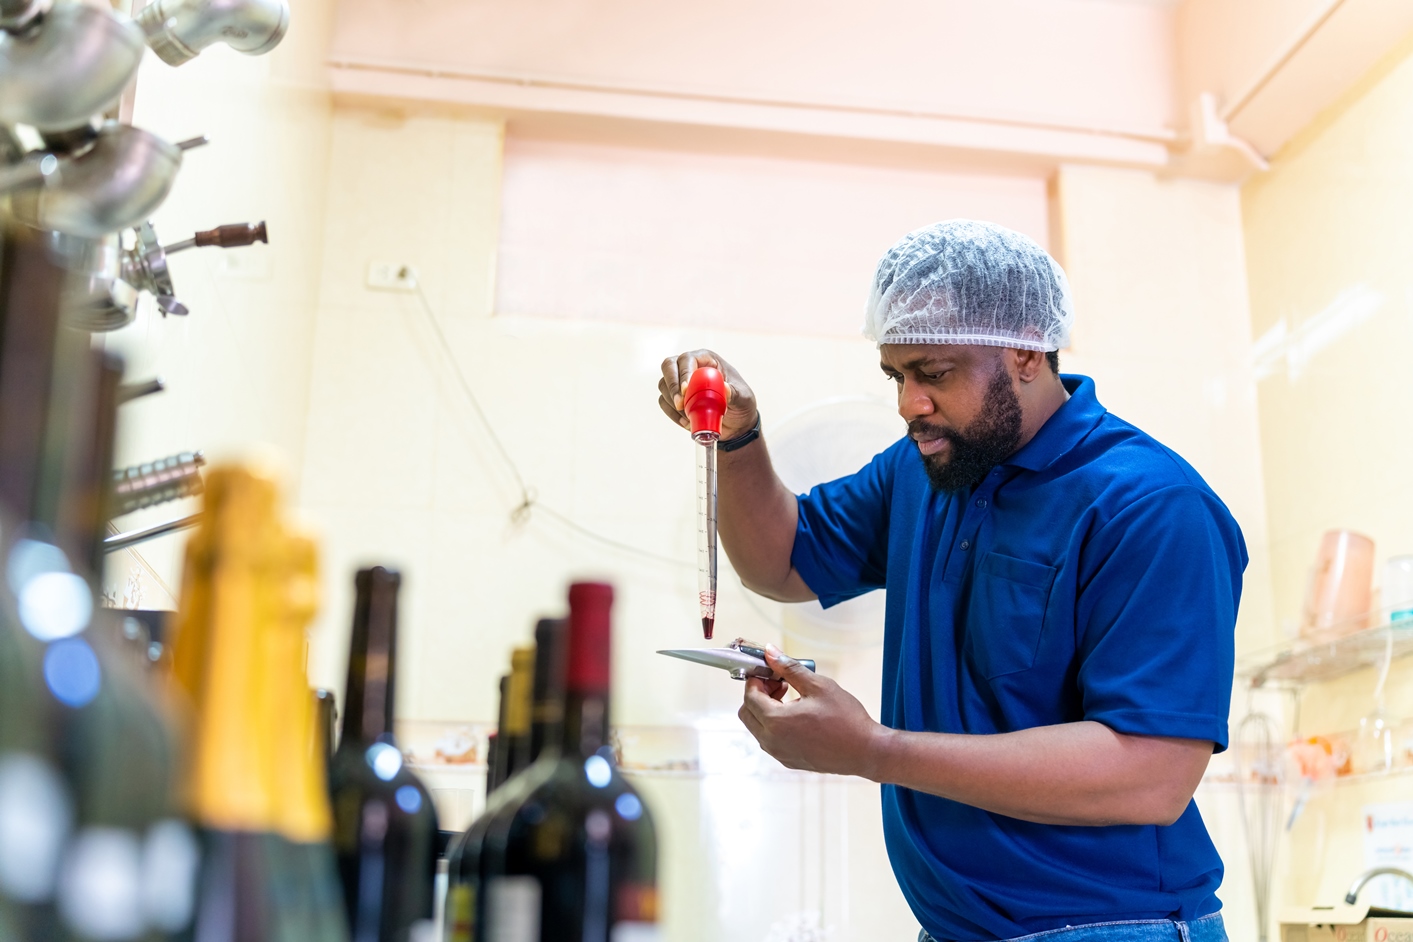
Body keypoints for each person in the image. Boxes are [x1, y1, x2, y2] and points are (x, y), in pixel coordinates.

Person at [656, 220, 1243, 942]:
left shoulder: (1149, 506)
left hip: (1111, 926)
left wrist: (872, 750)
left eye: (933, 374)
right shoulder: (926, 470)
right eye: (896, 376)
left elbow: (1150, 776)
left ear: (1026, 348)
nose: (908, 404)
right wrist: (739, 438)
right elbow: (782, 563)